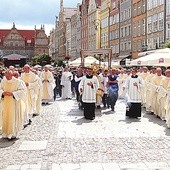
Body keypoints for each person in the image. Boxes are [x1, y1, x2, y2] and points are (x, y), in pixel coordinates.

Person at [0, 70, 26, 139]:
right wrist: (2, 93)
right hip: (5, 102)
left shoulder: (18, 82)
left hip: (14, 103)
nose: (7, 78)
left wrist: (13, 94)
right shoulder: (3, 81)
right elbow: (0, 89)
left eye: (8, 76)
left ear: (12, 75)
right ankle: (5, 132)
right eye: (6, 76)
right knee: (5, 116)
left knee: (13, 116)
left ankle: (13, 133)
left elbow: (23, 91)